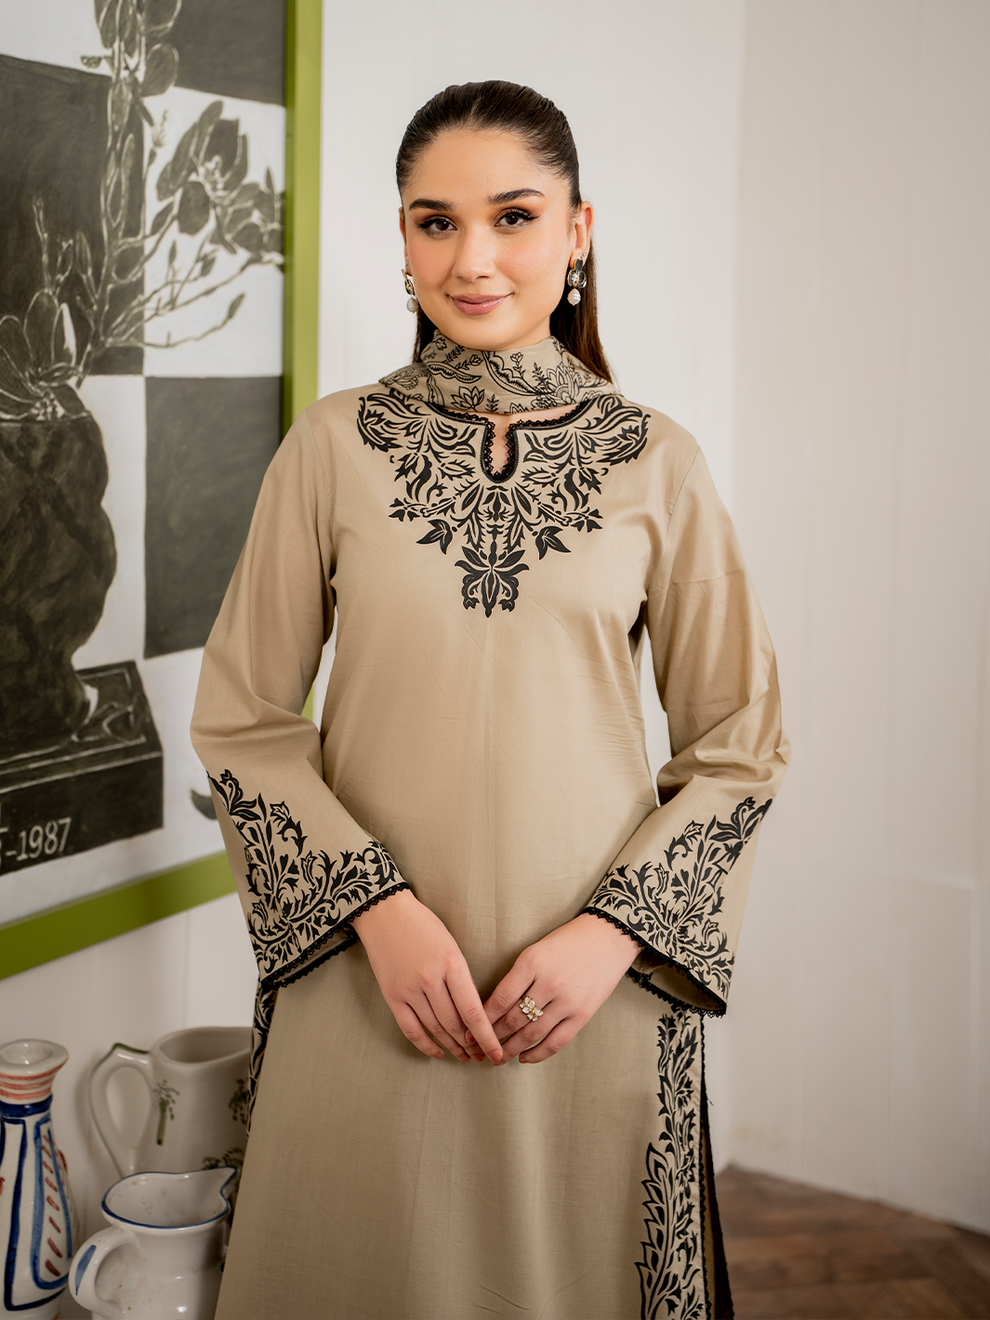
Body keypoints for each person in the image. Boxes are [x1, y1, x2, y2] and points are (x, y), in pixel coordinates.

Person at [191, 79, 787, 1320]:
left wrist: (611, 938)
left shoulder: (658, 463)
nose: (472, 259)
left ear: (577, 232)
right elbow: (244, 722)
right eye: (436, 221)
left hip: (586, 1000)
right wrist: (376, 914)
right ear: (402, 239)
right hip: (364, 981)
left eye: (513, 216)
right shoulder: (331, 447)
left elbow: (739, 744)